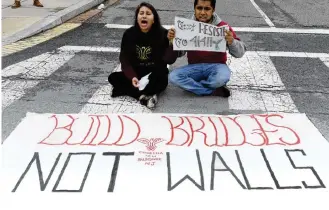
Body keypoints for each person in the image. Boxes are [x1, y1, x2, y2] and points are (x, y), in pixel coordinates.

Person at [168, 0, 246, 98]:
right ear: (194, 9)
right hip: (194, 67)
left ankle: (198, 86)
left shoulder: (223, 27)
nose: (203, 13)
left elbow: (240, 53)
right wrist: (173, 41)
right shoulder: (186, 27)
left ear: (213, 10)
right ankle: (211, 90)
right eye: (199, 8)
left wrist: (232, 42)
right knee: (173, 77)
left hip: (217, 66)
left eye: (207, 9)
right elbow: (180, 53)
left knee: (222, 77)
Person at [108, 2, 178, 109]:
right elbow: (124, 60)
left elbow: (170, 60)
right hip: (138, 72)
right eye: (141, 13)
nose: (144, 15)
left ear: (154, 20)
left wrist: (171, 42)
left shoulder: (163, 33)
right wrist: (132, 77)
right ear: (137, 18)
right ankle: (143, 96)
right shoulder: (129, 34)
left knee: (161, 77)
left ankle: (132, 91)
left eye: (148, 13)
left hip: (155, 72)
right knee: (113, 78)